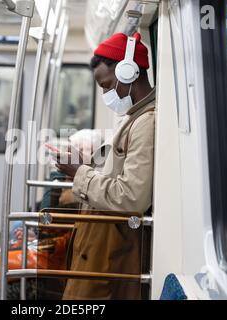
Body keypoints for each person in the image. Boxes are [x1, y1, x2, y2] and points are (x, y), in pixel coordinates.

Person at [54, 32, 155, 299]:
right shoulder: (133, 118)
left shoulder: (147, 123)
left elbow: (132, 196)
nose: (106, 94)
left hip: (117, 246)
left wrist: (79, 173)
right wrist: (85, 165)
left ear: (129, 72)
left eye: (107, 85)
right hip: (106, 241)